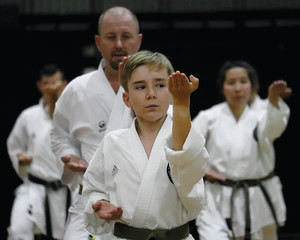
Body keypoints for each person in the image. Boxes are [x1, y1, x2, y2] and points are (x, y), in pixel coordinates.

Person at [82, 50, 209, 240]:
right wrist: (99, 203)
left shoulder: (185, 138)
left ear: (173, 93)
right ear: (127, 99)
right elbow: (93, 187)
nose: (151, 94)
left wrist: (182, 105)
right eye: (140, 87)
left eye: (160, 85)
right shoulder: (112, 142)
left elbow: (189, 171)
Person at [50, 6, 143, 240]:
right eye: (111, 37)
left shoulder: (154, 87)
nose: (119, 44)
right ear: (98, 42)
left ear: (139, 40)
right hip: (89, 200)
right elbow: (60, 134)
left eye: (126, 36)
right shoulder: (77, 90)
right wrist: (70, 155)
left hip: (140, 203)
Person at [193, 60, 292, 240]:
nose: (237, 88)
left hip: (257, 196)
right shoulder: (208, 117)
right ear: (222, 88)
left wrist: (273, 102)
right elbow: (186, 148)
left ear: (253, 87)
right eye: (231, 83)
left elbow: (273, 129)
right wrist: (203, 170)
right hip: (217, 197)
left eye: (243, 82)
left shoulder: (262, 115)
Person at [7, 64, 69, 240]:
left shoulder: (74, 115)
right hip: (36, 188)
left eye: (54, 83)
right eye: (46, 83)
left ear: (64, 84)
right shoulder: (28, 116)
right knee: (19, 231)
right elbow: (14, 145)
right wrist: (20, 159)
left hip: (67, 190)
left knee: (83, 235)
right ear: (39, 86)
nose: (50, 87)